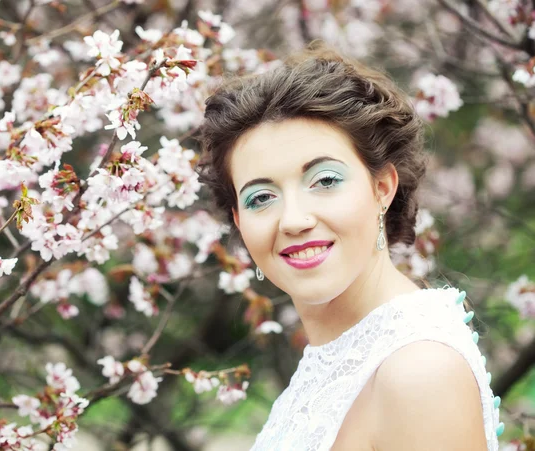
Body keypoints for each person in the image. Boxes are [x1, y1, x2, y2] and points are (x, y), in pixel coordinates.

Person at [197, 43, 504, 451]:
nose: (293, 220)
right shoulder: (337, 358)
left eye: (325, 181)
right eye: (260, 198)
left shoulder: (418, 371)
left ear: (382, 188)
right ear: (239, 220)